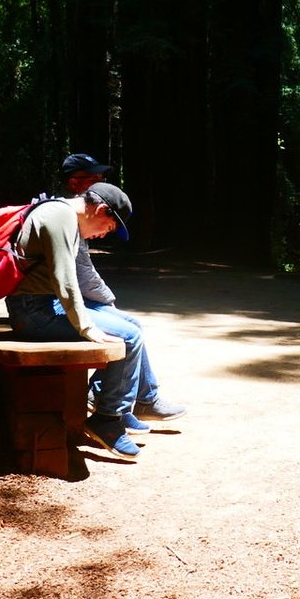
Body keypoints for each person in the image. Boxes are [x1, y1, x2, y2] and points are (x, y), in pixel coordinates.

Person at [5, 181, 181, 459]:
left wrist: (105, 309)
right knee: (128, 337)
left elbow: (76, 279)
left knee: (131, 325)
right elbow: (66, 281)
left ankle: (131, 405)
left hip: (43, 305)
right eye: (108, 228)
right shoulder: (58, 217)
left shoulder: (64, 216)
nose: (103, 235)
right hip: (33, 312)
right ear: (99, 209)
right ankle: (107, 419)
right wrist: (87, 327)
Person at [57, 154, 187, 432]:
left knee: (131, 325)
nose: (100, 183)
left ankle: (140, 399)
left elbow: (81, 272)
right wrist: (109, 302)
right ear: (74, 183)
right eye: (94, 179)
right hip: (49, 305)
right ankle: (113, 402)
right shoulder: (64, 217)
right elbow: (80, 275)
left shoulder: (72, 215)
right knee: (127, 330)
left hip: (58, 300)